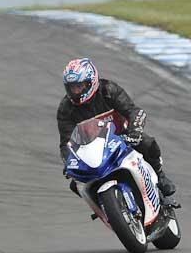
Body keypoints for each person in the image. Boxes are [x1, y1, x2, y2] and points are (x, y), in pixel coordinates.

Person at [57, 57, 177, 202]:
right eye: (72, 87)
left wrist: (135, 131)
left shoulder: (108, 90)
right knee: (76, 184)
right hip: (92, 151)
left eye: (79, 86)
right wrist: (69, 161)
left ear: (91, 82)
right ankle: (105, 206)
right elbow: (66, 142)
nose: (75, 91)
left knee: (147, 143)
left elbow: (133, 111)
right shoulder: (66, 108)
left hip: (122, 138)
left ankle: (160, 176)